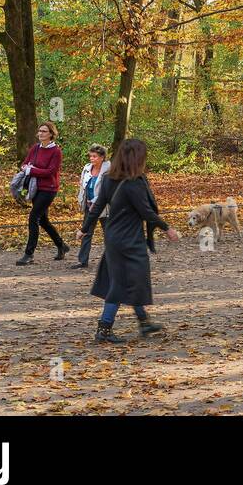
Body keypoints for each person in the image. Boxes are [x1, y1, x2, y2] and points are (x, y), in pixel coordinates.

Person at [76, 138, 179, 343]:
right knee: (122, 282)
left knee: (131, 279)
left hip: (114, 237)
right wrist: (167, 228)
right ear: (136, 157)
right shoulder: (134, 182)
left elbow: (96, 207)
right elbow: (146, 212)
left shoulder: (108, 178)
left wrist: (84, 229)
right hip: (129, 240)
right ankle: (104, 328)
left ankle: (144, 323)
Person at [16, 121, 68, 266]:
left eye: (44, 131)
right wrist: (25, 167)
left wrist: (31, 170)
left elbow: (50, 171)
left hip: (49, 188)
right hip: (35, 187)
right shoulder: (35, 148)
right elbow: (25, 164)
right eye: (40, 131)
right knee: (43, 220)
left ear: (51, 134)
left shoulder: (56, 151)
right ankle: (61, 245)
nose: (41, 133)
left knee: (33, 217)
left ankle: (29, 254)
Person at [73, 144, 108, 269]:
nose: (92, 159)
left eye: (95, 156)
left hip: (105, 207)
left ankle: (115, 259)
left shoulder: (109, 169)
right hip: (89, 206)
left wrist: (98, 200)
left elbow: (110, 189)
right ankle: (82, 261)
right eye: (91, 156)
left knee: (109, 233)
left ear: (102, 157)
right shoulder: (87, 168)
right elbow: (83, 186)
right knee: (86, 232)